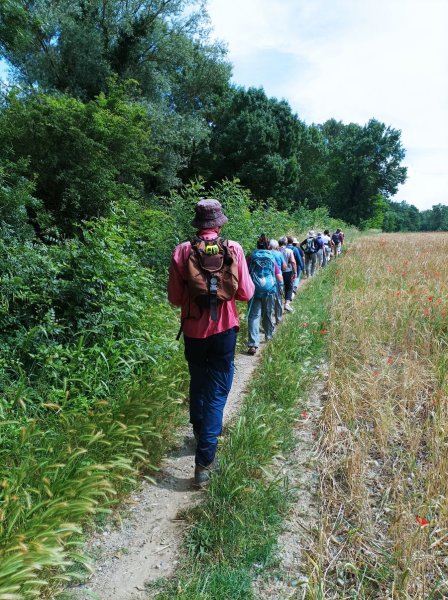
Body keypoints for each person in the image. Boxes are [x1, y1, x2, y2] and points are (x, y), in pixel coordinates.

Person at [167, 199, 254, 487]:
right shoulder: (234, 248)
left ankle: (199, 431)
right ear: (219, 223)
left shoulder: (182, 251)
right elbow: (245, 293)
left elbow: (175, 298)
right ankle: (204, 463)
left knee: (198, 380)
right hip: (224, 331)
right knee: (217, 391)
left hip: (193, 332)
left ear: (198, 223)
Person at [247, 234, 283, 355]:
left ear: (257, 245)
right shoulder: (271, 256)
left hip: (254, 289)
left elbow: (245, 273)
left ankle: (253, 344)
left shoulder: (251, 256)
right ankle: (269, 336)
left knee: (253, 316)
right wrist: (280, 287)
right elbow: (278, 275)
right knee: (267, 313)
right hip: (269, 290)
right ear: (268, 246)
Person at [268, 239, 286, 324]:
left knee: (269, 302)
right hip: (278, 279)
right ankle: (278, 318)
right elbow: (284, 267)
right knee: (278, 299)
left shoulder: (267, 254)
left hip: (269, 280)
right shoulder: (279, 254)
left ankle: (269, 322)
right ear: (276, 246)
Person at [278, 236, 297, 312]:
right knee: (289, 287)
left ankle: (278, 304)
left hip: (278, 272)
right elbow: (292, 261)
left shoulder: (276, 250)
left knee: (279, 287)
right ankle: (287, 304)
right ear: (286, 243)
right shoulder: (289, 251)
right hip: (288, 271)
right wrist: (295, 272)